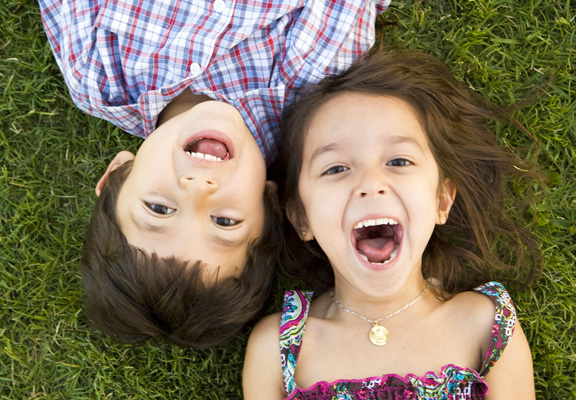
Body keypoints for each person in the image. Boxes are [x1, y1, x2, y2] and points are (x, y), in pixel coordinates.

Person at [38, 0, 390, 347]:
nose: (198, 188)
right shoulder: (314, 78)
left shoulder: (98, 75)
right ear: (269, 201)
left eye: (158, 209)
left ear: (118, 173)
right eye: (224, 221)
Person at [243, 50, 542, 398]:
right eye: (336, 168)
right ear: (302, 218)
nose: (371, 183)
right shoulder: (278, 348)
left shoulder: (485, 325)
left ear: (441, 201)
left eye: (399, 160)